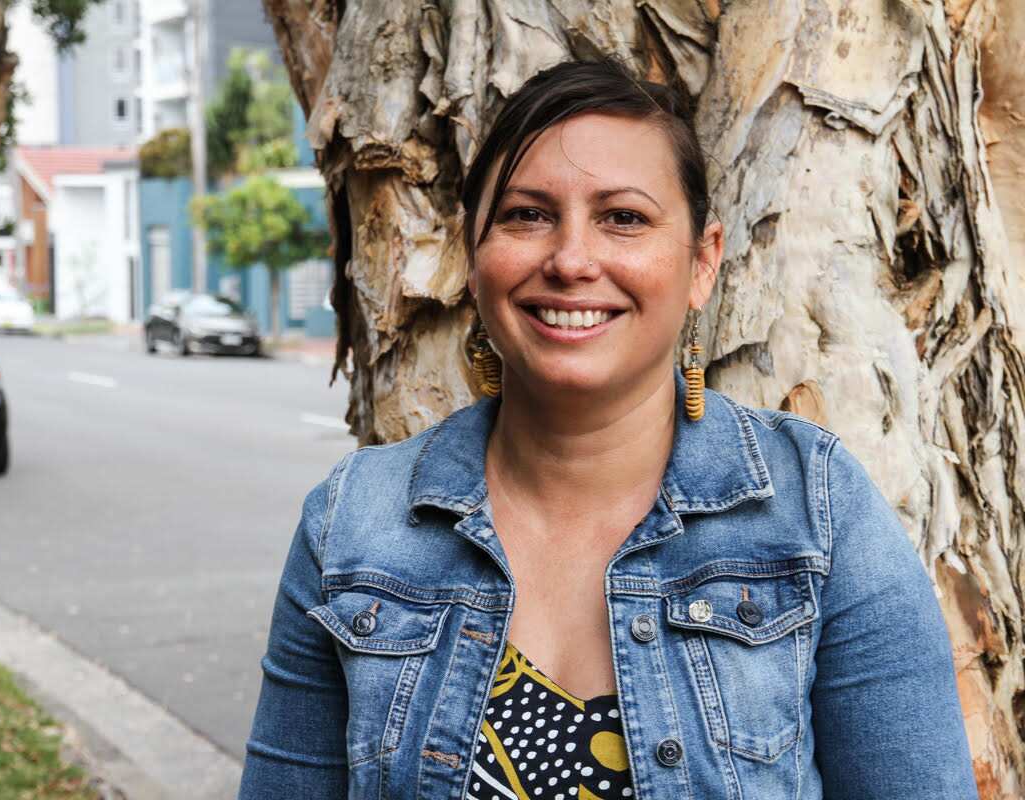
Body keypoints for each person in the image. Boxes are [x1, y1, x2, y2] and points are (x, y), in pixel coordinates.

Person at [238, 57, 977, 799]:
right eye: (526, 215)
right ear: (473, 254)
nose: (570, 260)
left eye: (623, 217)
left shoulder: (815, 510)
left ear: (702, 262)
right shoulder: (353, 523)